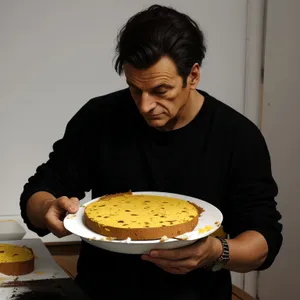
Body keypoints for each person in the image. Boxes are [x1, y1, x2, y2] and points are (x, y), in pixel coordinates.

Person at [19, 4, 282, 300]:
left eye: (160, 91)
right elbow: (39, 191)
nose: (145, 106)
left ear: (193, 76)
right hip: (100, 293)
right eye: (134, 89)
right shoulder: (99, 117)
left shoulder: (237, 136)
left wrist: (215, 252)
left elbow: (264, 240)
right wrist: (46, 209)